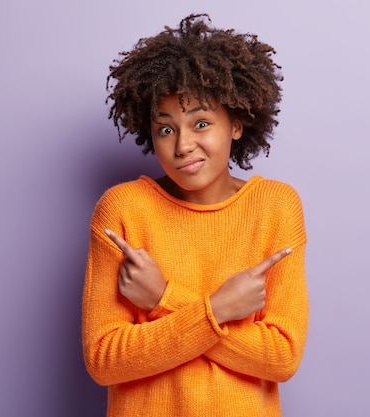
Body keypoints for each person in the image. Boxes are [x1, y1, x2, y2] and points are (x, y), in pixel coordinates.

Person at [82, 13, 308, 417]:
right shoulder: (123, 209)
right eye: (166, 129)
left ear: (236, 124)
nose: (183, 145)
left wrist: (164, 300)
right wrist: (220, 310)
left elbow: (281, 357)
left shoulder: (276, 207)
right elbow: (104, 360)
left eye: (201, 123)